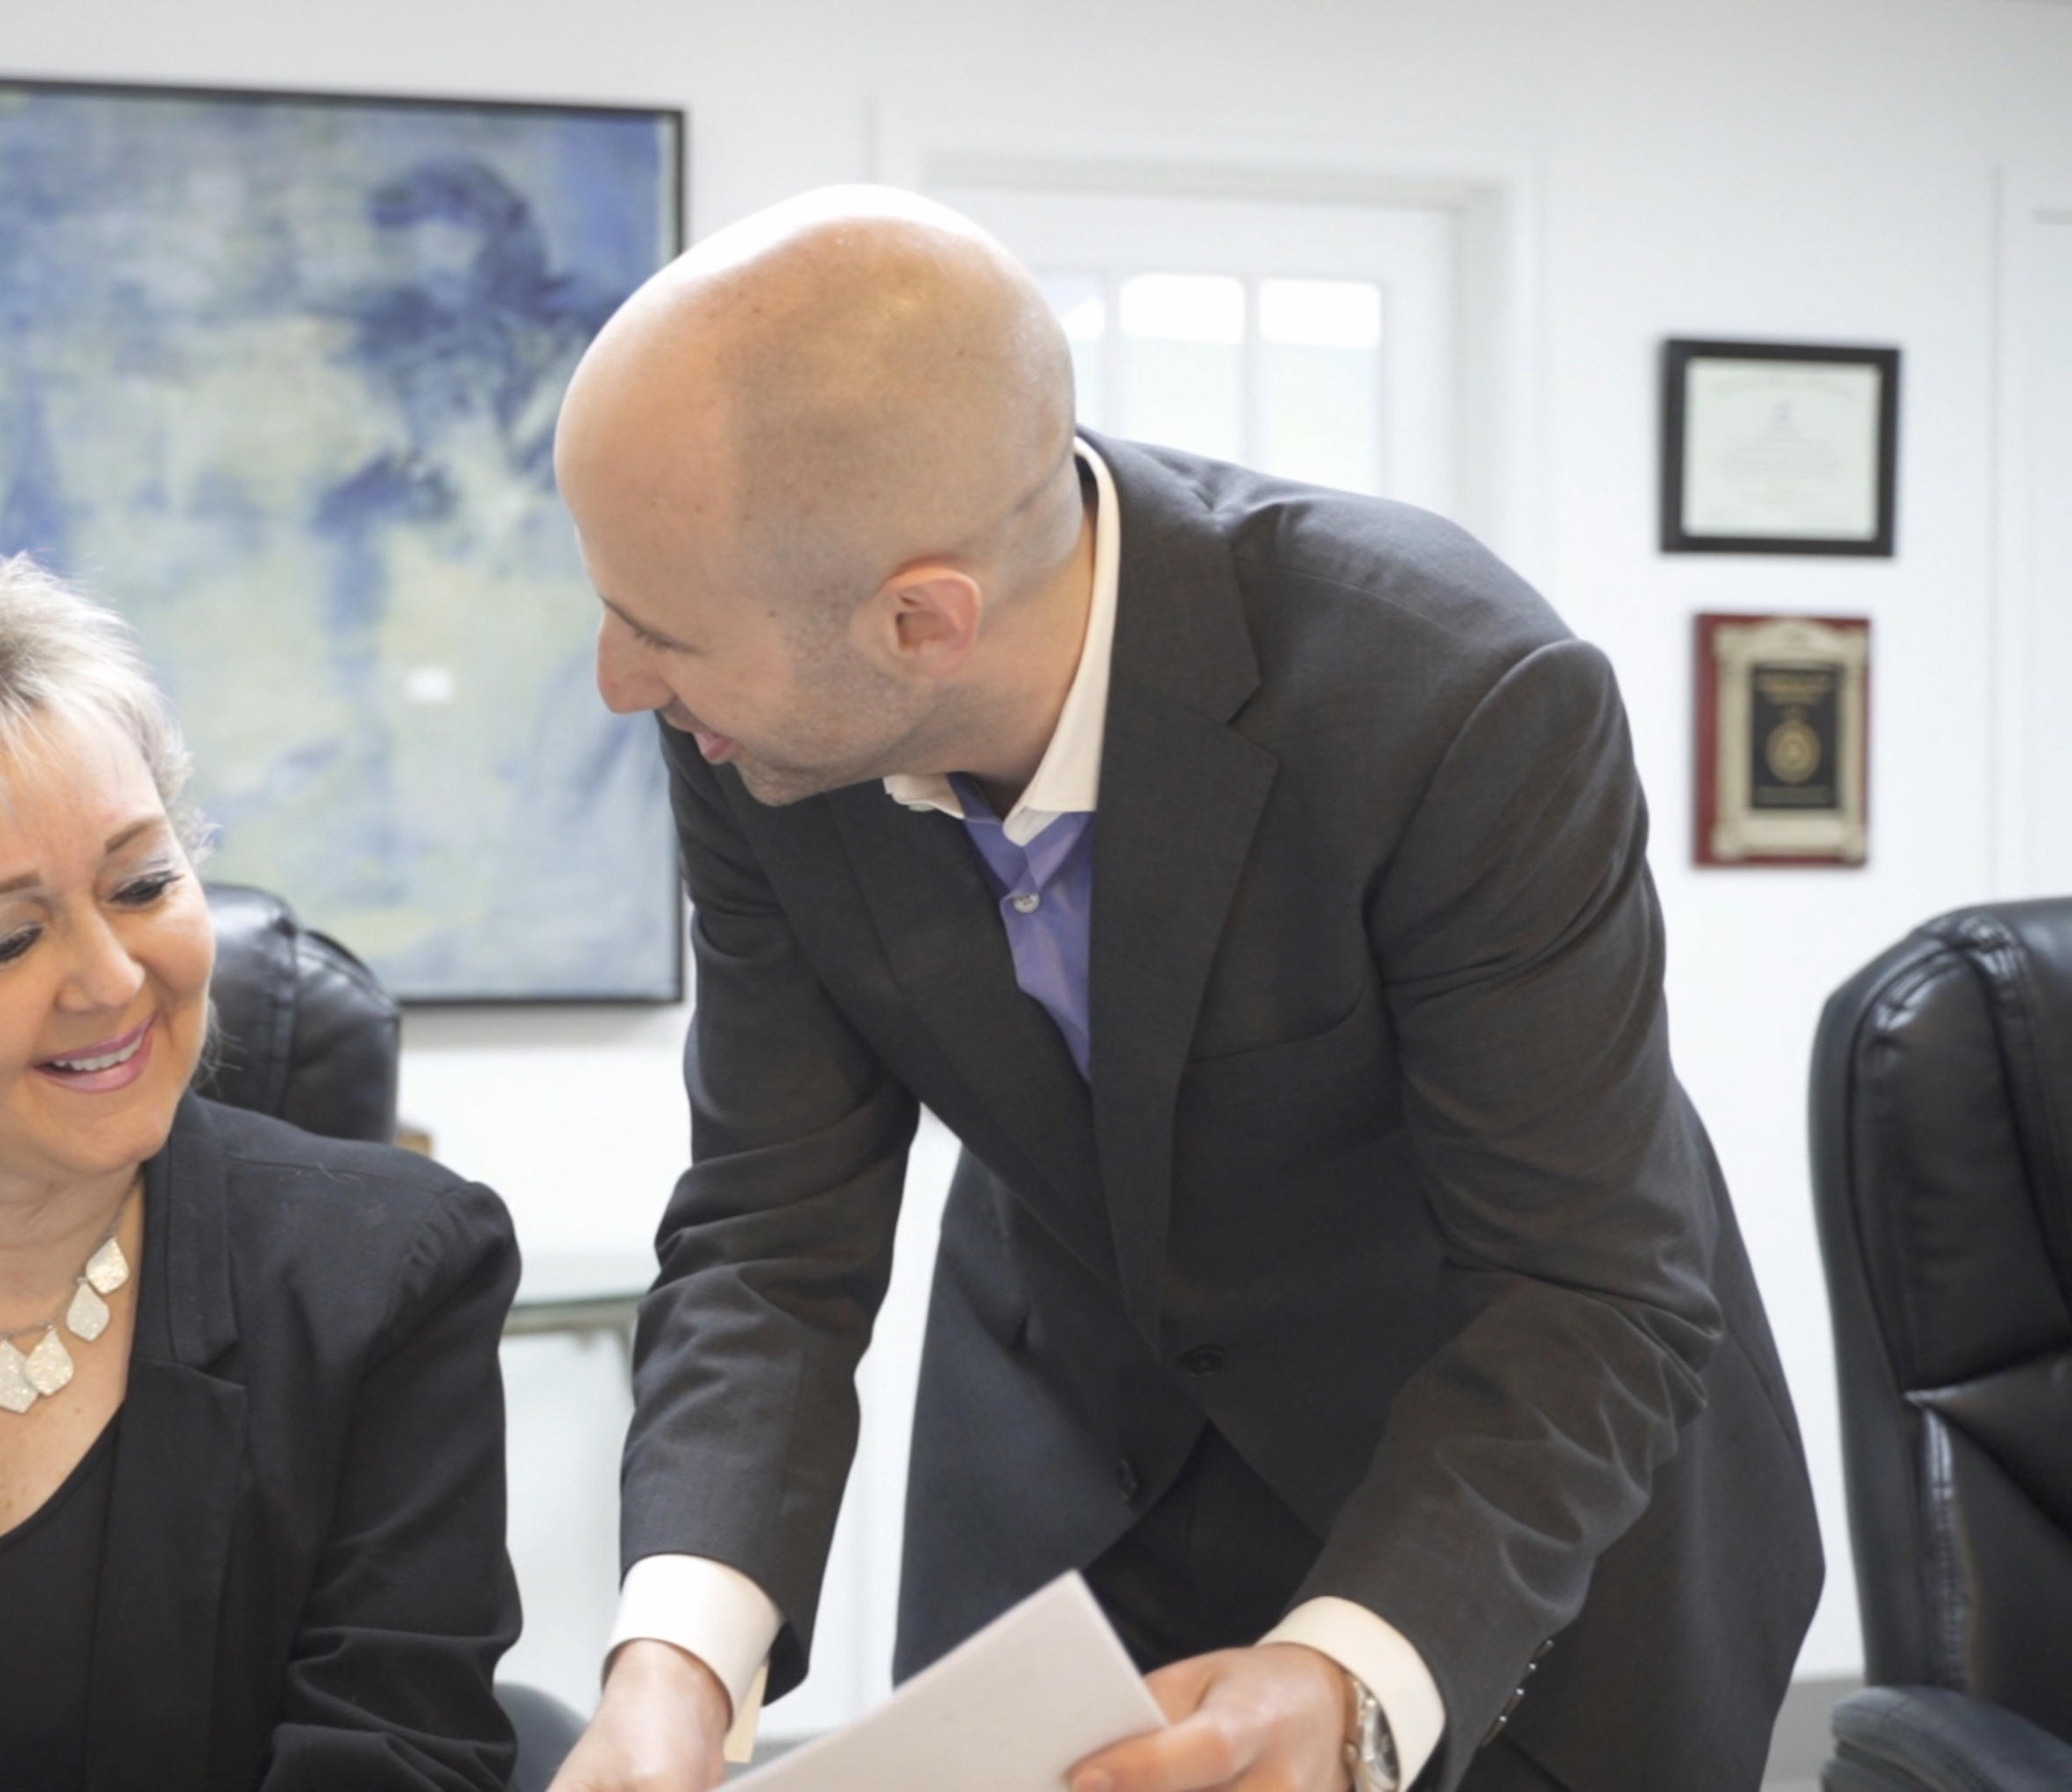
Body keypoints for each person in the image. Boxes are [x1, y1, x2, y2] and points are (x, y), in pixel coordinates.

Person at [544, 188, 1823, 1792]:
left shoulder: (1456, 699)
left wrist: (1345, 1675)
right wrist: (674, 1666)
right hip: (1071, 1491)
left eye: (656, 632)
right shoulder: (750, 729)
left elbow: (1587, 1290)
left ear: (920, 619)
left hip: (1509, 1517)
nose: (617, 679)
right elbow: (771, 1228)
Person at [0, 542, 522, 1792]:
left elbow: (392, 1759)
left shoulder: (388, 1276)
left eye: (143, 881)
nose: (110, 978)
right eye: (2, 941)